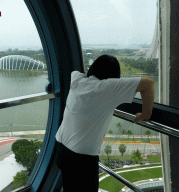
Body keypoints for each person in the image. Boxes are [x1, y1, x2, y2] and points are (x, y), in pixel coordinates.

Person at [54, 54, 154, 192]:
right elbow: (148, 83)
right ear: (113, 75)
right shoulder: (108, 87)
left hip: (60, 147)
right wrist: (145, 114)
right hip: (81, 159)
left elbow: (73, 72)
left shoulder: (78, 80)